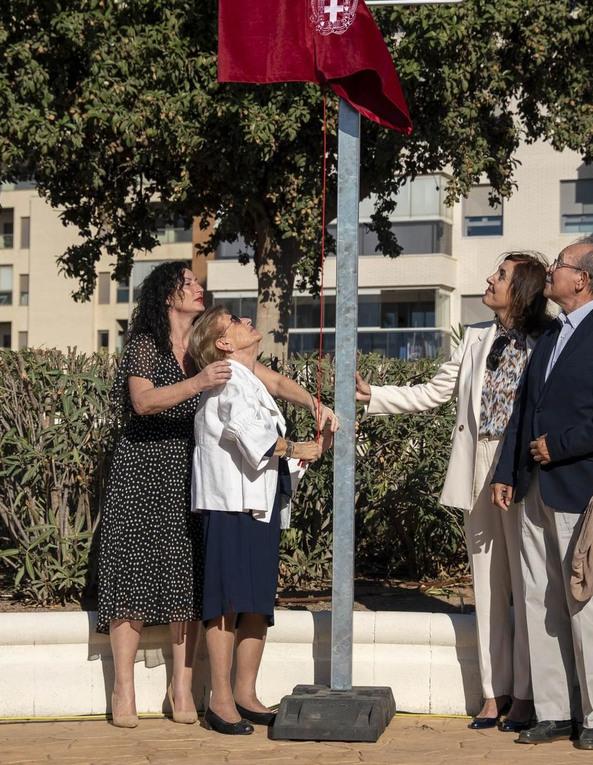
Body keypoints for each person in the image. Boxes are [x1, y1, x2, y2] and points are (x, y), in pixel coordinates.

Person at [357, 253, 550, 732]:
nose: (489, 278)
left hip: (524, 472)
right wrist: (373, 396)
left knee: (528, 587)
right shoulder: (477, 338)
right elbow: (434, 393)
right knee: (486, 587)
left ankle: (526, 695)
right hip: (477, 469)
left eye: (500, 275)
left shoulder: (545, 341)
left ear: (521, 290)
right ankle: (493, 693)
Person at [490, 236, 593, 750]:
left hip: (582, 486)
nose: (551, 270)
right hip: (534, 486)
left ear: (583, 278)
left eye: (559, 265)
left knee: (587, 600)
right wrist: (507, 472)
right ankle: (554, 711)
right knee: (538, 599)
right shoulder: (553, 333)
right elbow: (525, 408)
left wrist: (561, 446)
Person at [93, 263, 229, 728]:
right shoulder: (147, 345)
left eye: (197, 282)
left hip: (192, 471)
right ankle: (123, 687)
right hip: (143, 469)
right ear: (166, 295)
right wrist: (197, 383)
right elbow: (143, 402)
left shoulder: (201, 349)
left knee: (185, 577)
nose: (199, 287)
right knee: (132, 572)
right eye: (188, 282)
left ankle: (182, 687)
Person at [188, 305, 330, 734]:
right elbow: (253, 436)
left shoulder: (251, 379)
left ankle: (246, 694)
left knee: (256, 604)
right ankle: (221, 700)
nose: (247, 320)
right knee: (226, 603)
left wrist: (315, 412)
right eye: (234, 321)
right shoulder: (228, 381)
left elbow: (275, 402)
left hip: (260, 503)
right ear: (224, 344)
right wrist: (298, 449)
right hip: (230, 505)